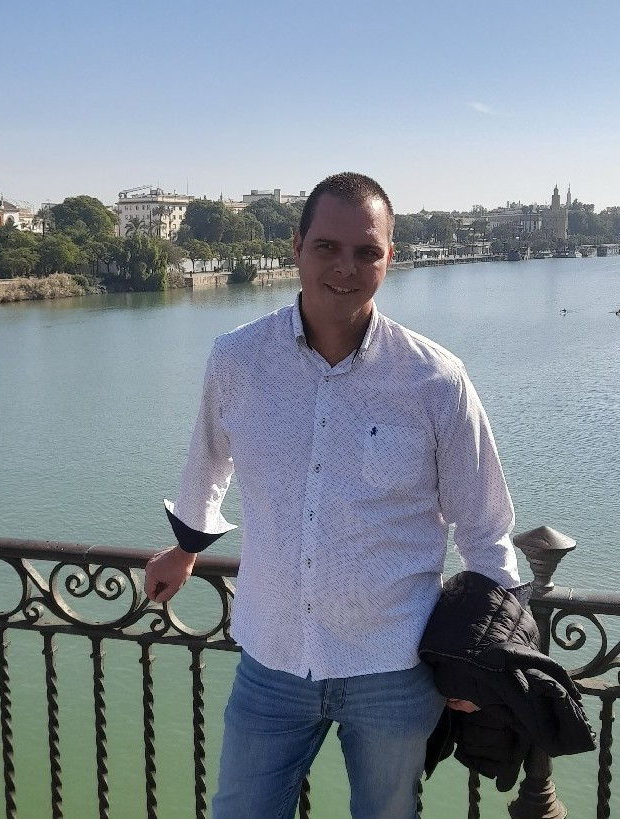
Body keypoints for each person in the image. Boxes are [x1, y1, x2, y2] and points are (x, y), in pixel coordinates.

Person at [145, 172, 521, 819]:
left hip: (392, 667)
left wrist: (485, 656)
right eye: (327, 247)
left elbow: (485, 530)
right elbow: (207, 463)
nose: (345, 268)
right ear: (296, 247)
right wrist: (185, 548)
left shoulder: (436, 380)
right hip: (272, 660)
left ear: (389, 258)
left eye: (366, 251)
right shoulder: (236, 359)